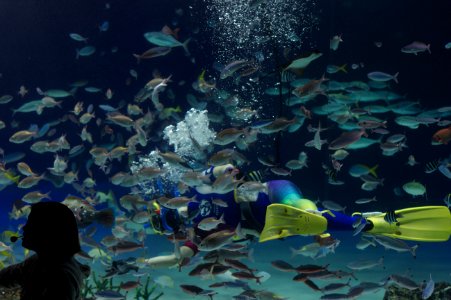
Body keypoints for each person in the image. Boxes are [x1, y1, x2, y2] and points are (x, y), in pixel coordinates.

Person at [144, 164, 451, 268]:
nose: (174, 229)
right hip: (272, 220)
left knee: (306, 213)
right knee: (310, 219)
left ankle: (329, 221)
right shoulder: (198, 235)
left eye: (168, 222)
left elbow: (223, 168)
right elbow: (178, 259)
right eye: (167, 230)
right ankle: (371, 222)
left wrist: (230, 171)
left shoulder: (198, 188)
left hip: (273, 192)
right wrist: (143, 262)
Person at [0, 201, 90, 300]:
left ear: (47, 230)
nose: (25, 227)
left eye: (31, 223)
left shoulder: (61, 277)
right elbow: (8, 277)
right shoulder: (41, 260)